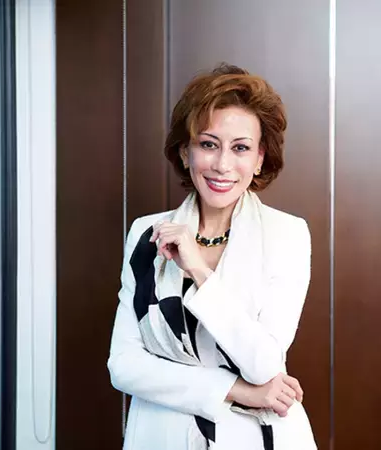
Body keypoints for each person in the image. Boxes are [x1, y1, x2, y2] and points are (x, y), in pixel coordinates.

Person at [107, 63, 317, 450]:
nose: (222, 165)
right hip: (162, 435)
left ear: (259, 158)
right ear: (185, 152)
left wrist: (199, 271)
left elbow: (264, 363)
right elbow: (123, 366)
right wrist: (238, 390)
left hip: (255, 438)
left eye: (240, 148)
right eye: (208, 144)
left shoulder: (287, 234)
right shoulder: (146, 233)